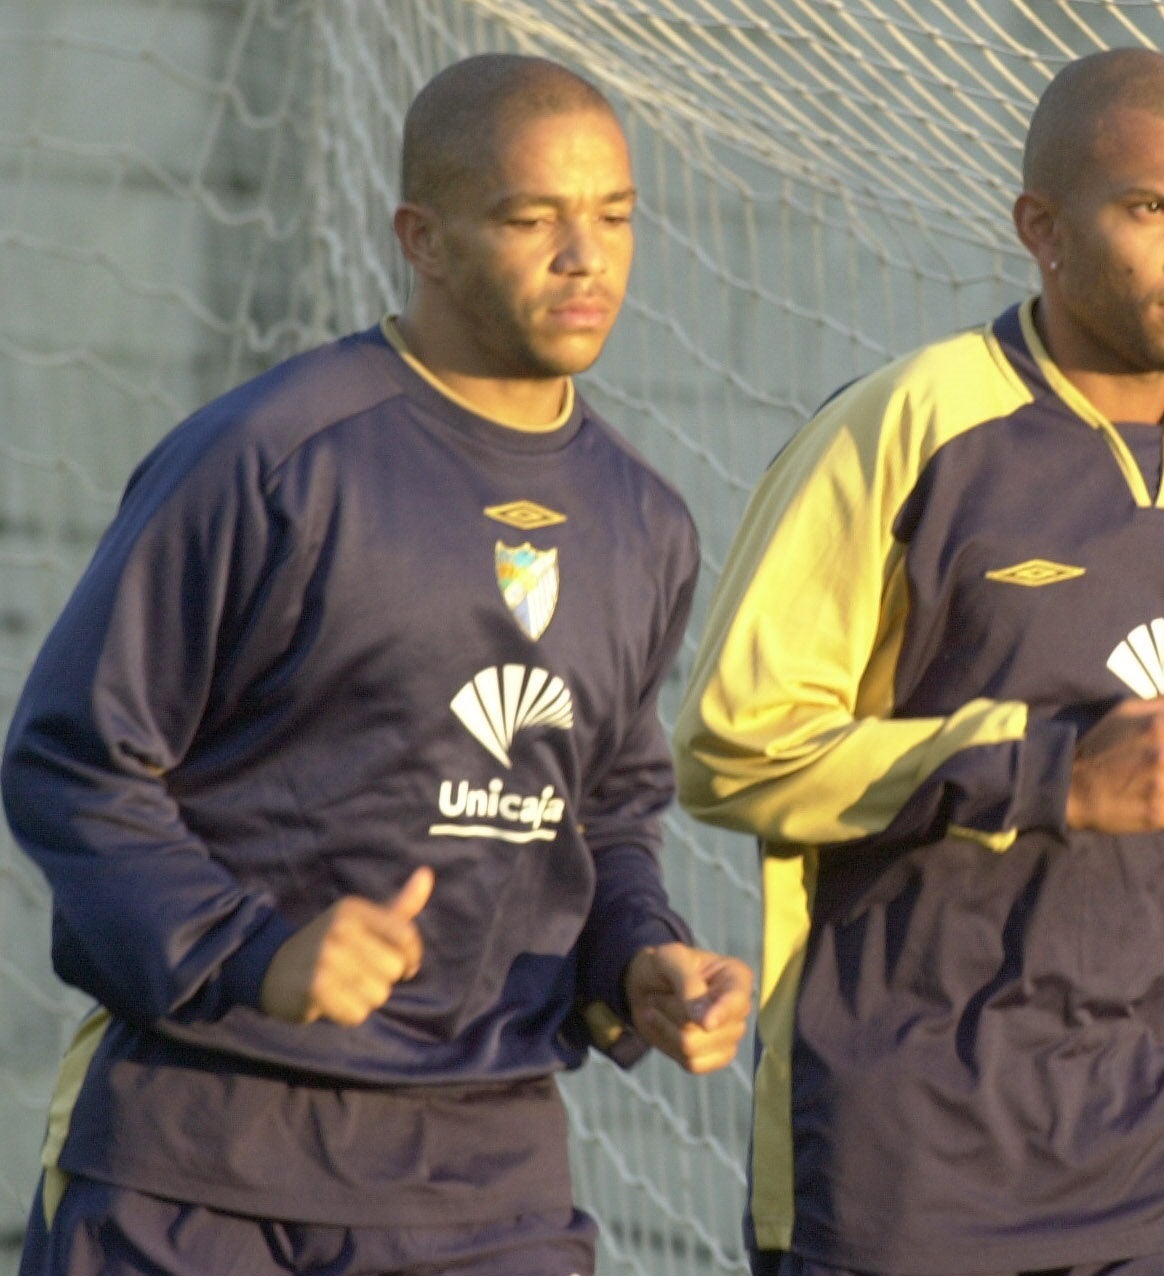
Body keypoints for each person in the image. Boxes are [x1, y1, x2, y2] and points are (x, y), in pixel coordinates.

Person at [3, 52, 752, 1276]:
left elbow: (605, 805)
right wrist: (252, 949)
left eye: (613, 216)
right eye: (532, 218)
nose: (587, 258)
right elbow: (75, 761)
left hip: (486, 1181)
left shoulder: (646, 520)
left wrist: (638, 955)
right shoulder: (266, 458)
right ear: (425, 237)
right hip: (203, 1161)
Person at [672, 47, 1164, 1276]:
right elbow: (731, 752)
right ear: (1040, 227)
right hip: (930, 1132)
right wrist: (1046, 774)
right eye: (1153, 210)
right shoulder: (906, 429)